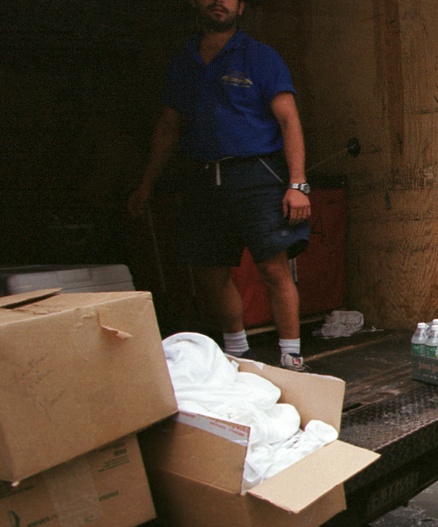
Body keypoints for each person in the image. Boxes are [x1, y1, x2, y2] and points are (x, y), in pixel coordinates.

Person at [127, 0, 312, 371]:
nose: (219, 2)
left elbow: (289, 120)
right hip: (201, 179)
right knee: (210, 271)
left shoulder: (260, 57)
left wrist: (298, 183)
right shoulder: (184, 61)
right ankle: (237, 355)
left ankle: (292, 358)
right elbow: (168, 127)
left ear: (241, 7)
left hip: (256, 175)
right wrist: (146, 184)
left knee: (273, 269)